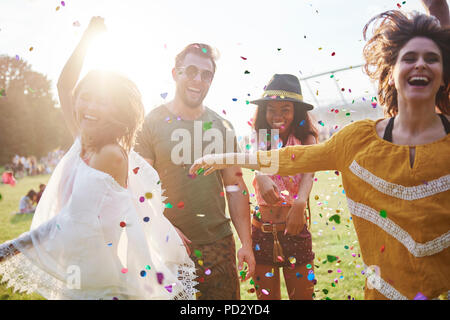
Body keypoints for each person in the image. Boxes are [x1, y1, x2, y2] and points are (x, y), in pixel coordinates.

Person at [190, 10, 450, 300]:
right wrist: (221, 159)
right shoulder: (357, 139)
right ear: (391, 72)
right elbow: (290, 158)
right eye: (409, 58)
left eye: (432, 58)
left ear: (444, 74)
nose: (420, 65)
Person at [0, 17, 196, 300]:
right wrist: (88, 38)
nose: (88, 107)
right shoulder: (84, 137)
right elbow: (64, 85)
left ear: (117, 110)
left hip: (102, 288)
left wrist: (8, 249)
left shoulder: (110, 154)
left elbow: (70, 222)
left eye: (101, 101)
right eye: (85, 97)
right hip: (80, 277)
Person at [135, 43, 255, 300]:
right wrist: (161, 226)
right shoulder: (150, 123)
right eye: (190, 71)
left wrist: (246, 242)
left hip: (219, 245)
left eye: (206, 74)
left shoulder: (222, 126)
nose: (198, 80)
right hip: (169, 246)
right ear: (175, 73)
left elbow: (234, 186)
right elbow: (137, 185)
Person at [248, 74, 318, 300]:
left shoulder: (306, 138)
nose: (277, 116)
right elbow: (255, 157)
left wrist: (299, 203)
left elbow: (309, 174)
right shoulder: (261, 135)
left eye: (285, 109)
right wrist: (260, 175)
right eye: (271, 109)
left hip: (295, 230)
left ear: (296, 111)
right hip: (262, 231)